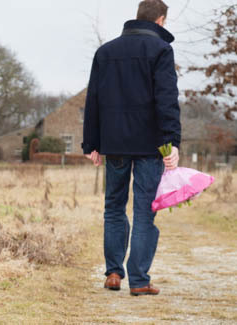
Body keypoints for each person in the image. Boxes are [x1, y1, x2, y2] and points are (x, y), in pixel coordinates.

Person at [82, 0, 181, 296]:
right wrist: (171, 143)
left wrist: (92, 143)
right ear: (160, 20)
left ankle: (113, 273)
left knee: (113, 208)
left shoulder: (106, 52)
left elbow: (93, 101)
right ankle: (138, 280)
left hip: (114, 145)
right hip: (151, 145)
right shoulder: (161, 50)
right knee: (144, 212)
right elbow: (166, 100)